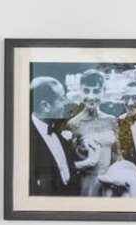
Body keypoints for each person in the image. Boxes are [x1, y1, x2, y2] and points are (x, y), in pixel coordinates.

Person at [22, 73, 87, 201]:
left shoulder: (59, 131)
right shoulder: (24, 141)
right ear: (45, 106)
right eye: (62, 98)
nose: (67, 102)